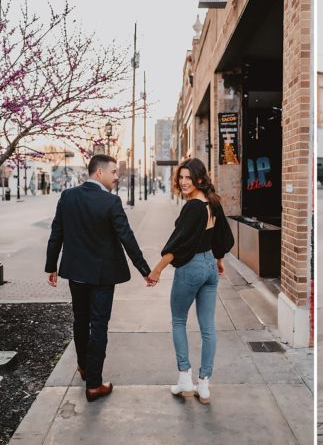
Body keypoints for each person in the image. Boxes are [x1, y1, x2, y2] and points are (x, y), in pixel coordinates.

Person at [45, 154, 154, 402]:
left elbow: (56, 232)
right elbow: (127, 237)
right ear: (99, 172)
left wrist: (51, 266)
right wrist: (145, 269)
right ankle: (94, 384)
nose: (116, 177)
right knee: (98, 325)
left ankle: (84, 368)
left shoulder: (68, 196)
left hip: (76, 273)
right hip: (103, 275)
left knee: (80, 320)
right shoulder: (111, 202)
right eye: (114, 172)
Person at [147, 158, 234, 405]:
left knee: (178, 320)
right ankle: (204, 385)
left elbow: (178, 244)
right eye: (181, 177)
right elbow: (222, 236)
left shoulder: (193, 207)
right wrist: (218, 260)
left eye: (189, 177)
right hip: (209, 266)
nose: (184, 182)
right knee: (208, 328)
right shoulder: (212, 202)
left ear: (200, 178)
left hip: (192, 267)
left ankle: (185, 378)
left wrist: (156, 270)